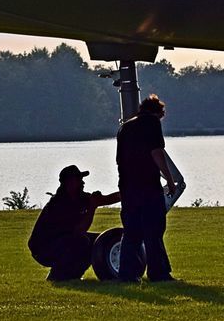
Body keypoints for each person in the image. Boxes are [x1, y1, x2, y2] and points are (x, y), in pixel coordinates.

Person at [116, 94, 176, 282]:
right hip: (148, 186)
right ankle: (159, 273)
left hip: (128, 186)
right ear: (158, 112)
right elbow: (156, 152)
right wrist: (169, 179)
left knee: (132, 231)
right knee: (154, 229)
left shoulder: (125, 127)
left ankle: (127, 273)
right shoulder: (152, 123)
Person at [28, 165, 121, 281]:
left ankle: (101, 274)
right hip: (43, 249)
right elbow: (79, 231)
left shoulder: (79, 197)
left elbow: (105, 199)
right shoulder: (59, 204)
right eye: (79, 179)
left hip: (63, 240)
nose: (83, 183)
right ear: (69, 182)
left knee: (100, 240)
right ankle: (59, 275)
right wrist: (92, 207)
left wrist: (127, 192)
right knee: (82, 242)